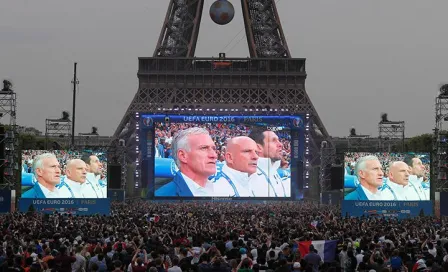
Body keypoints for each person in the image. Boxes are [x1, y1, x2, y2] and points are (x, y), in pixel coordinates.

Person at [155, 127, 218, 196]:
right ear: (183, 156)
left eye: (214, 149)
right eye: (204, 148)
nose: (214, 155)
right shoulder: (163, 196)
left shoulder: (220, 190)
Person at [248, 128, 289, 197]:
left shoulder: (276, 171)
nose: (281, 144)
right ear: (258, 148)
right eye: (273, 141)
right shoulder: (249, 179)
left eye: (278, 140)